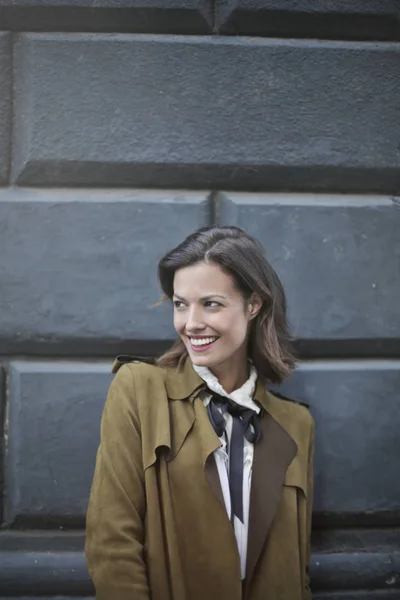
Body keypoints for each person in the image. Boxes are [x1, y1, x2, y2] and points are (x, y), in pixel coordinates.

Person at [85, 225, 315, 600]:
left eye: (211, 303)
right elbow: (112, 543)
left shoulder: (296, 424)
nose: (190, 324)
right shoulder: (139, 389)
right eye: (180, 304)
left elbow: (298, 567)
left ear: (253, 305)